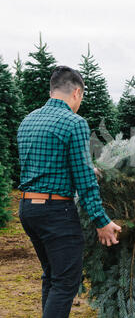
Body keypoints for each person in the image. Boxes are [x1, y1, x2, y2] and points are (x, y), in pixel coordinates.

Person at [17, 66, 122, 318]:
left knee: (52, 276)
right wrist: (101, 221)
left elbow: (46, 167)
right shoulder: (74, 123)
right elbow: (85, 181)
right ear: (76, 92)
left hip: (28, 210)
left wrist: (87, 170)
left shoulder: (28, 120)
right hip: (57, 213)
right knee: (65, 283)